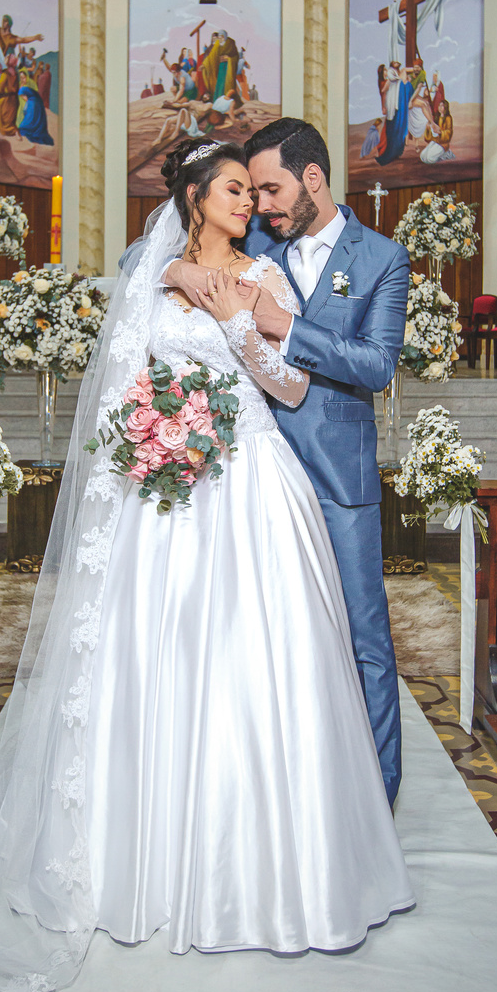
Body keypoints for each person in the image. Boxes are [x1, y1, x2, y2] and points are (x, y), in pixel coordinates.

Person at [0, 136, 413, 992]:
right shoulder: (150, 274)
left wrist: (239, 322)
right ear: (194, 198)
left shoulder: (261, 275)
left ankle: (273, 864)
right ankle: (136, 855)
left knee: (255, 660)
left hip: (250, 483)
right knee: (154, 655)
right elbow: (120, 388)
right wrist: (153, 434)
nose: (250, 204)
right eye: (233, 190)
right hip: (165, 487)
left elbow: (289, 388)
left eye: (255, 191)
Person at [164, 119, 410, 805]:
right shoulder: (258, 242)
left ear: (312, 179)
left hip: (335, 476)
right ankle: (285, 790)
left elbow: (377, 365)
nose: (259, 204)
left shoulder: (381, 258)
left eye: (270, 189)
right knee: (262, 636)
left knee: (362, 636)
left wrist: (286, 326)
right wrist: (180, 269)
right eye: (250, 191)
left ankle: (377, 798)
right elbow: (148, 255)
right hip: (249, 473)